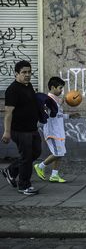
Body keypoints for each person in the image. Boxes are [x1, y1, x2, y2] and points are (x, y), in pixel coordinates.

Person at [1, 60, 42, 195]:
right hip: (19, 130)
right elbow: (8, 112)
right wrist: (7, 132)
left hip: (32, 129)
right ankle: (24, 185)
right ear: (16, 74)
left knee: (36, 153)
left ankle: (11, 170)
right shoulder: (13, 90)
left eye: (29, 72)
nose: (27, 75)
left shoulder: (28, 86)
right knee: (26, 158)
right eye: (24, 72)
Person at [34, 77, 79, 183]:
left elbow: (59, 116)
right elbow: (46, 113)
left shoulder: (57, 101)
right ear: (53, 87)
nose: (61, 91)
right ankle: (40, 166)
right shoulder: (47, 100)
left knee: (60, 153)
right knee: (58, 153)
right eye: (60, 88)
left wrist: (70, 116)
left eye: (62, 88)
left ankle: (54, 175)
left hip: (59, 131)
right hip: (52, 131)